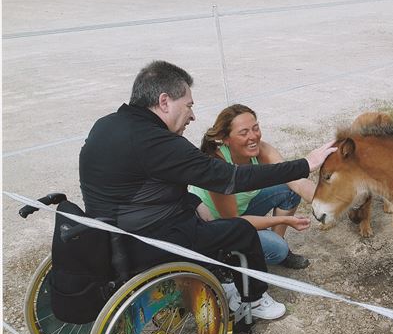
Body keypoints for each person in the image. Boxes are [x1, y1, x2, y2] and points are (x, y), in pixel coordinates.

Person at [79, 60, 335, 320]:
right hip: (150, 242)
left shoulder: (106, 125)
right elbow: (231, 179)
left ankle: (223, 277)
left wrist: (191, 200)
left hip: (108, 236)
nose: (192, 115)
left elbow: (136, 188)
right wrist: (306, 164)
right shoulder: (158, 142)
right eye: (189, 105)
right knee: (240, 231)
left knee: (211, 220)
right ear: (164, 101)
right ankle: (254, 299)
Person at [189, 104, 317, 270]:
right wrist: (284, 219)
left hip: (238, 212)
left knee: (288, 191)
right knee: (278, 249)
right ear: (225, 139)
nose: (253, 137)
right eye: (244, 132)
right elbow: (234, 222)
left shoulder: (260, 149)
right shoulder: (218, 167)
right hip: (218, 226)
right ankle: (229, 257)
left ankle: (272, 246)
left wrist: (326, 201)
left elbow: (294, 179)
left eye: (255, 128)